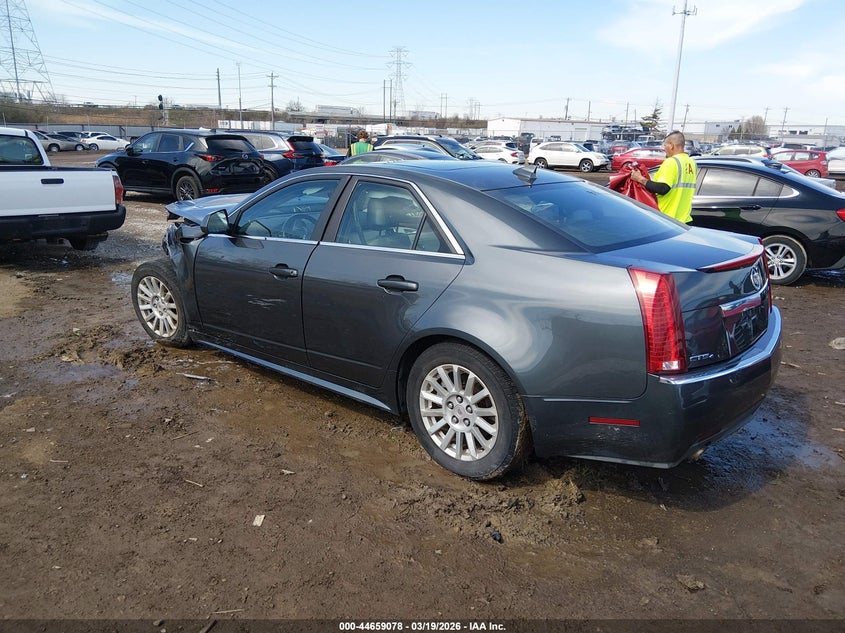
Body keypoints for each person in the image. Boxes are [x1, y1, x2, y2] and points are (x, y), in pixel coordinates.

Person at [630, 130, 697, 223]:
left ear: (671, 145)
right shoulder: (691, 163)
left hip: (668, 219)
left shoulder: (671, 162)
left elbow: (663, 188)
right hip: (685, 220)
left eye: (665, 146)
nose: (664, 149)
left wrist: (639, 179)